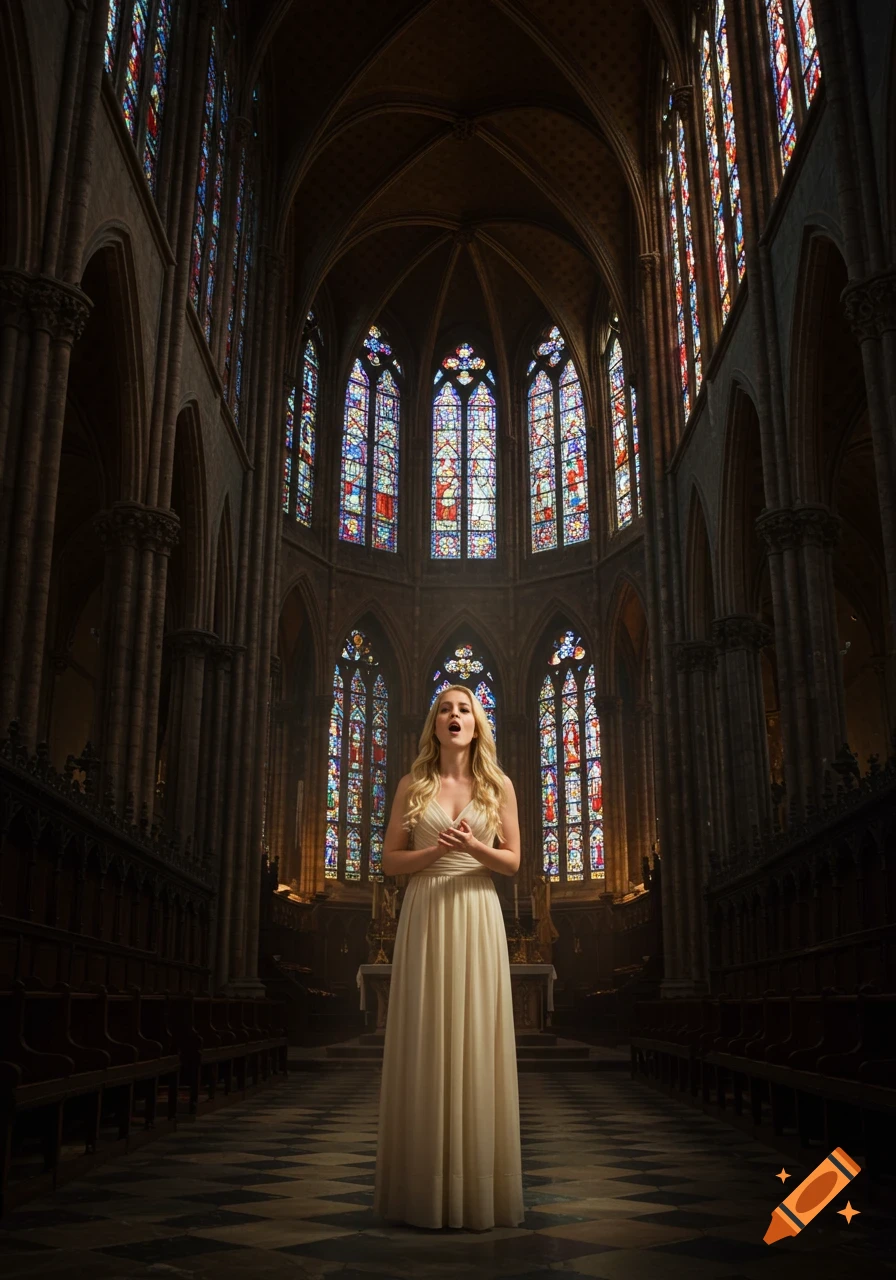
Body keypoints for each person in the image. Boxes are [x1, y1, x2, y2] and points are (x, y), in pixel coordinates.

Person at [373, 684, 525, 1231]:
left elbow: (511, 863)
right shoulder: (412, 785)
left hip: (477, 913)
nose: (454, 716)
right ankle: (421, 1189)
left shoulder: (498, 785)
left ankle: (477, 1188)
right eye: (445, 709)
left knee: (475, 1038)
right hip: (428, 911)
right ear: (433, 725)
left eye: (464, 709)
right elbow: (389, 862)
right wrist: (436, 851)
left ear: (478, 723)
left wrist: (472, 850)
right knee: (427, 1035)